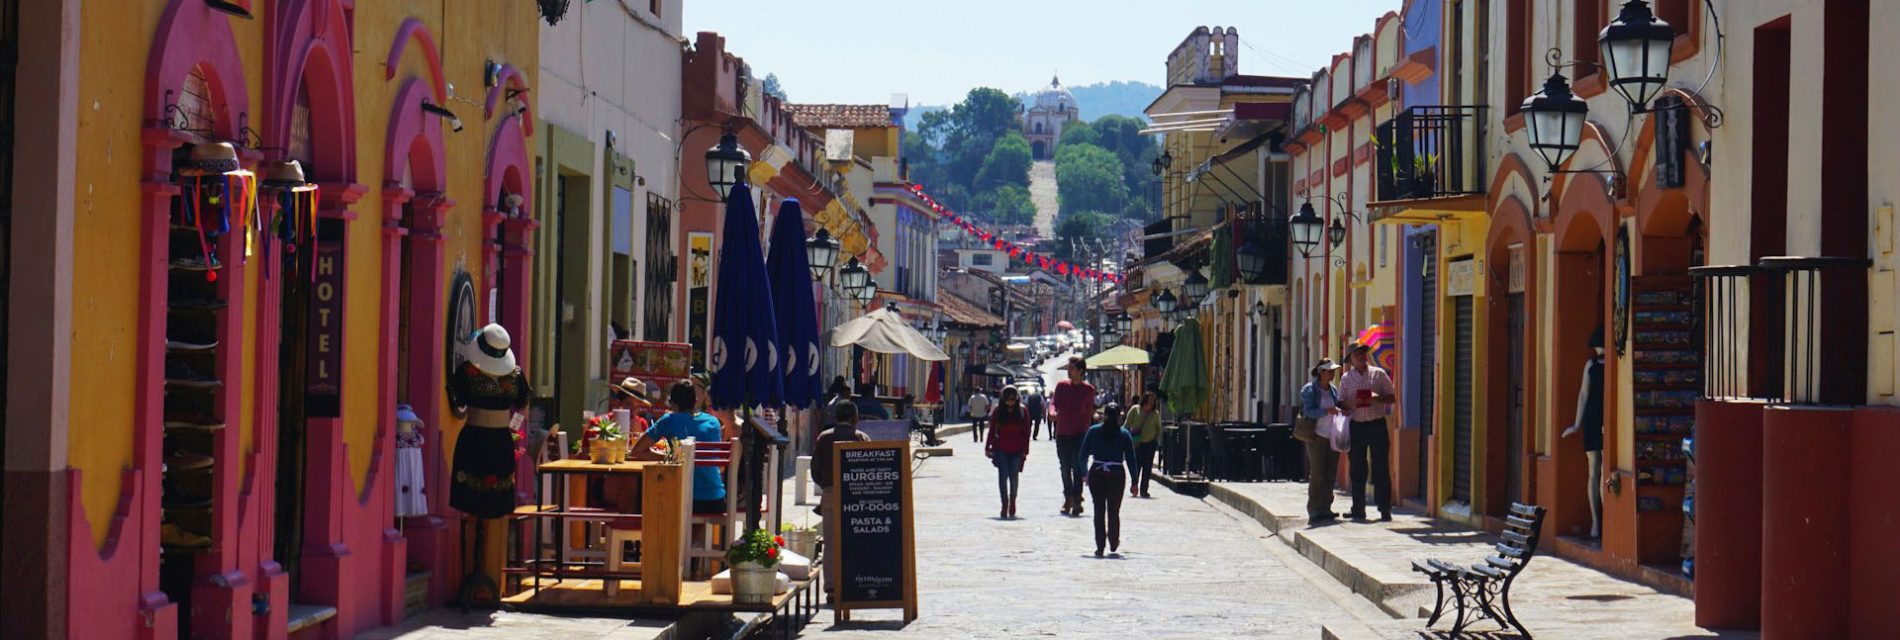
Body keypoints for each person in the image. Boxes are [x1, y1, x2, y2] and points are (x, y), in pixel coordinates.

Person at [630, 381, 727, 515]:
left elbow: (637, 450)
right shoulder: (714, 422)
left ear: (673, 404)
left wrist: (672, 457)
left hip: (687, 500)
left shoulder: (669, 420)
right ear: (696, 401)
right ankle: (695, 536)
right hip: (716, 499)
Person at [812, 402, 870, 601]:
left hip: (830, 494)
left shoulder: (824, 438)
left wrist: (828, 486)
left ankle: (832, 587)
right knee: (856, 541)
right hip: (857, 496)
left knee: (831, 541)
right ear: (855, 418)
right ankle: (856, 582)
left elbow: (815, 471)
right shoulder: (861, 438)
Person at [1340, 343, 1397, 522]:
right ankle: (1358, 509)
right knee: (1357, 468)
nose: (1361, 357)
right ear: (1350, 360)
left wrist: (1377, 398)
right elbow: (1340, 403)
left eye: (1363, 353)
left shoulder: (1378, 374)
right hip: (1357, 426)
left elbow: (1392, 397)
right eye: (1356, 355)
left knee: (1381, 467)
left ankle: (1384, 508)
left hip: (1377, 425)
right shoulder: (1346, 378)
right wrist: (1351, 404)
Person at [1561, 328, 1608, 539]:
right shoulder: (1591, 365)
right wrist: (1577, 424)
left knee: (1603, 472)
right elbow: (1583, 394)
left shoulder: (1614, 364)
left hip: (1607, 423)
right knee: (1593, 470)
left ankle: (1606, 519)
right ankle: (1596, 521)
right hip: (1591, 421)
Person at [1074, 403, 1138, 557]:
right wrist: (1135, 481)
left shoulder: (1093, 431)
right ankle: (1114, 541)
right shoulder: (1124, 434)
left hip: (1097, 472)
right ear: (1119, 416)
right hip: (1116, 473)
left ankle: (1100, 545)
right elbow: (1131, 459)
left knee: (1099, 510)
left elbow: (1082, 455)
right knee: (1114, 510)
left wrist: (1084, 473)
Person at [1296, 359, 1344, 523]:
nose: (1332, 374)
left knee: (1330, 473)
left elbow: (1338, 406)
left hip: (1332, 437)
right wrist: (1325, 411)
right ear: (1321, 372)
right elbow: (1308, 412)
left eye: (1333, 371)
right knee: (1317, 473)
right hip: (1316, 436)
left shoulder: (1333, 391)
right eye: (1329, 371)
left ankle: (1326, 507)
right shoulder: (1309, 390)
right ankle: (1314, 509)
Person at [1050, 356, 1097, 516]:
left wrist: (1094, 426)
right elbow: (1054, 403)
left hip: (1081, 435)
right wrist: (1052, 412)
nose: (1068, 372)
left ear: (1080, 371)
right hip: (1063, 433)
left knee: (1077, 468)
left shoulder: (1089, 390)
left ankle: (1076, 500)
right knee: (1064, 468)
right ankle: (1068, 497)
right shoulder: (1062, 386)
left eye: (1071, 369)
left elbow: (1091, 411)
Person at [985, 386, 1032, 519]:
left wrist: (1025, 450)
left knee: (1014, 476)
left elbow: (1026, 432)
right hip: (1001, 449)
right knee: (1003, 476)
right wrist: (987, 447)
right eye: (1007, 400)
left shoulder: (1023, 411)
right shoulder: (998, 411)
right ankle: (1004, 503)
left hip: (1017, 450)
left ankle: (1013, 501)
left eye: (1012, 399)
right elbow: (992, 429)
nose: (1010, 403)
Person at [1125, 392, 1163, 498]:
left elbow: (1158, 429)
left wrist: (1157, 441)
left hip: (1150, 444)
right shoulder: (1135, 410)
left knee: (1147, 469)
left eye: (1153, 400)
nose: (1151, 402)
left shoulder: (1155, 414)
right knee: (1136, 467)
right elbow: (1127, 425)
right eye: (1149, 399)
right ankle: (1134, 486)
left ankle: (1144, 490)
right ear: (1144, 399)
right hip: (1136, 444)